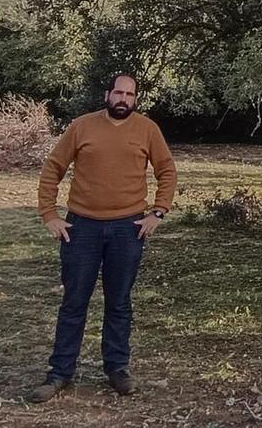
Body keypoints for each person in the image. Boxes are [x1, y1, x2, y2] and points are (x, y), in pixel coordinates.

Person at [25, 73, 178, 403]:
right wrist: (50, 215)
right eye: (118, 92)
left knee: (119, 302)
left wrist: (158, 211)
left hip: (128, 228)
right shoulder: (82, 126)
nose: (123, 99)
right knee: (74, 303)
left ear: (135, 99)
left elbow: (167, 170)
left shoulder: (148, 129)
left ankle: (117, 369)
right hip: (82, 229)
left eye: (130, 94)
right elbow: (53, 168)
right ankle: (60, 373)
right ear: (107, 94)